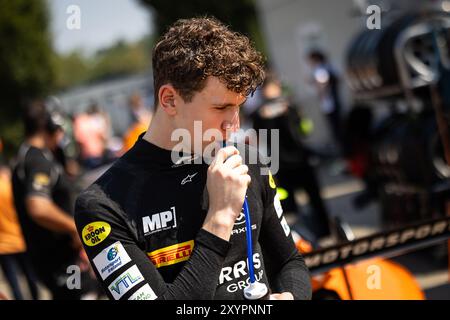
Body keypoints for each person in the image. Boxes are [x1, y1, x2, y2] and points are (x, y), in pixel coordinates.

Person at [74, 17, 312, 300]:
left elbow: (289, 261)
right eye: (221, 107)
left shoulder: (245, 162)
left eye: (238, 107)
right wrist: (220, 218)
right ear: (170, 100)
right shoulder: (103, 205)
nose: (233, 125)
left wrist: (294, 297)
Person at [11, 102, 94, 300]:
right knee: (85, 294)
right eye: (58, 128)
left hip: (51, 259)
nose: (60, 134)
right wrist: (74, 228)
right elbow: (38, 206)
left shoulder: (26, 158)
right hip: (61, 261)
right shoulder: (37, 161)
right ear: (47, 126)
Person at [252, 75, 332, 239]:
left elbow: (303, 131)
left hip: (301, 160)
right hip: (280, 164)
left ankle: (325, 232)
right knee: (288, 205)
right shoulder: (259, 114)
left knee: (316, 200)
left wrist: (289, 113)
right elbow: (260, 137)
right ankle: (299, 237)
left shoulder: (291, 107)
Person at [0, 147, 39, 300]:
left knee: (13, 283)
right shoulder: (9, 185)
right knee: (31, 277)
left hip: (3, 245)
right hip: (20, 238)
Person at [308, 50, 344, 150]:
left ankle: (340, 147)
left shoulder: (320, 69)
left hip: (329, 103)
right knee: (337, 124)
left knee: (335, 126)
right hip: (333, 102)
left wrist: (321, 94)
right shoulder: (327, 67)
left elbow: (323, 85)